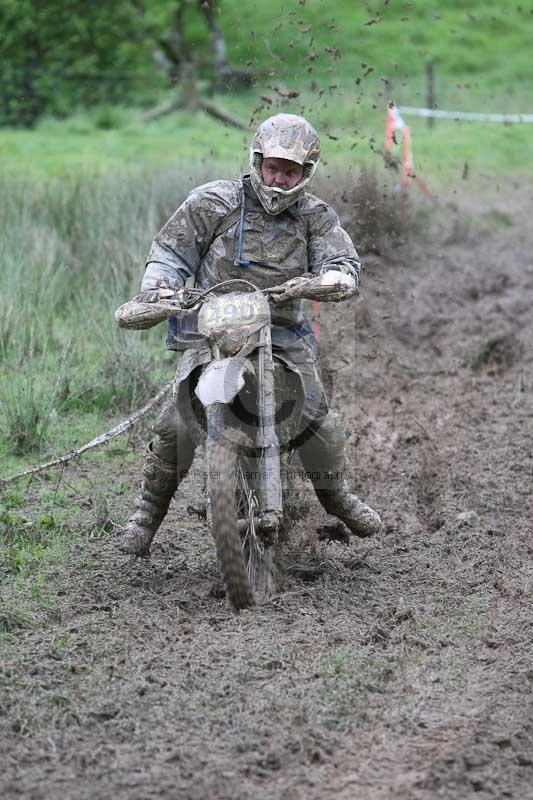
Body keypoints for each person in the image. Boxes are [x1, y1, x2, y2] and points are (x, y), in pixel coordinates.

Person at [117, 113, 381, 556]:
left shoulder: (315, 217)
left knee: (319, 421)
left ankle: (336, 496)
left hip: (283, 330)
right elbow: (169, 251)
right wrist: (159, 288)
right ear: (257, 162)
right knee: (175, 424)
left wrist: (331, 278)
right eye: (273, 168)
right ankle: (147, 513)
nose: (279, 180)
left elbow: (342, 262)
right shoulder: (212, 203)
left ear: (306, 174)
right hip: (212, 328)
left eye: (291, 171)